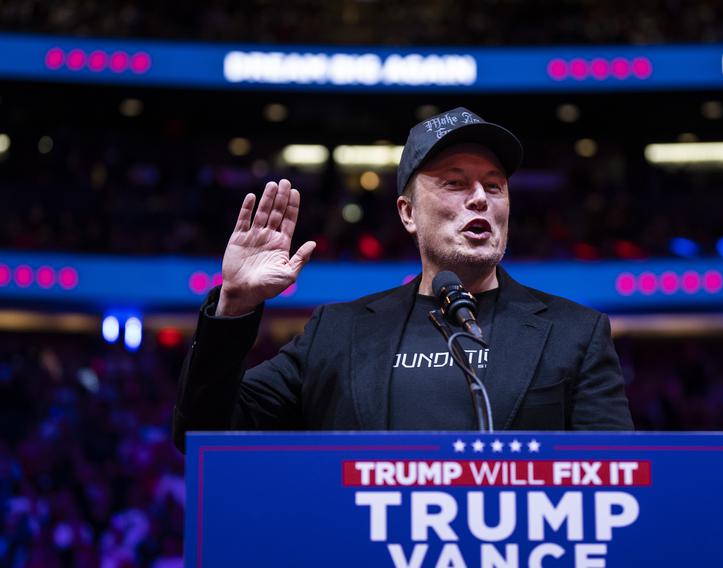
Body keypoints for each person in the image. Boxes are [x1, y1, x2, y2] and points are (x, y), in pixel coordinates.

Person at [172, 107, 632, 453]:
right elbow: (202, 435)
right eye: (455, 183)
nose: (480, 199)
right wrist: (235, 305)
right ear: (408, 213)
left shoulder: (576, 334)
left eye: (494, 186)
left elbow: (616, 481)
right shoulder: (336, 333)